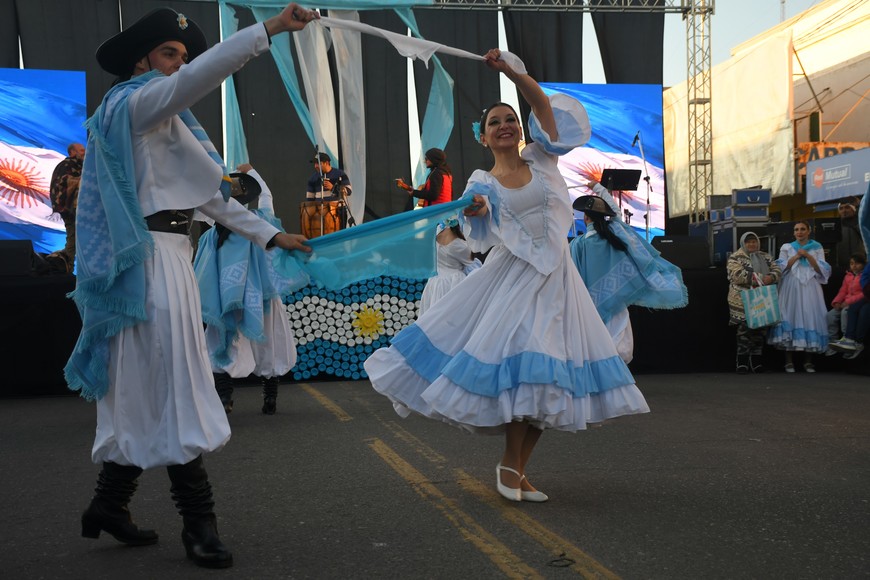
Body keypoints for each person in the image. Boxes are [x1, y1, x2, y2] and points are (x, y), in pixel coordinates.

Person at [65, 5, 317, 569]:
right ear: (142, 60)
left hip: (169, 260)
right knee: (173, 382)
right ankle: (198, 523)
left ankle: (108, 505)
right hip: (148, 265)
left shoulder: (165, 125)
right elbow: (201, 80)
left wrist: (274, 238)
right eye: (169, 54)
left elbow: (209, 197)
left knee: (150, 384)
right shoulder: (134, 103)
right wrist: (268, 30)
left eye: (182, 57)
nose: (179, 66)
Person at [365, 49, 649, 504]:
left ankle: (516, 468)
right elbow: (477, 231)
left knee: (549, 381)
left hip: (558, 281)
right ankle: (510, 467)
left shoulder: (543, 157)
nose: (505, 126)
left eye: (510, 120)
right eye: (495, 122)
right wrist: (475, 209)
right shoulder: (481, 182)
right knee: (530, 372)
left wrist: (513, 72)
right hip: (512, 280)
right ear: (482, 136)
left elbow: (539, 103)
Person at [194, 164, 297, 416]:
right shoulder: (262, 222)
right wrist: (252, 172)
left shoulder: (215, 227)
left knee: (220, 340)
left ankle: (225, 395)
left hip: (226, 297)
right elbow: (267, 194)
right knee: (269, 341)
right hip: (261, 296)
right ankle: (269, 396)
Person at [570, 181, 688, 364]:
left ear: (586, 218)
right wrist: (598, 187)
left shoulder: (578, 244)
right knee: (620, 350)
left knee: (594, 348)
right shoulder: (617, 233)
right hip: (618, 299)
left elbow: (572, 275)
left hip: (591, 305)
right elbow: (616, 212)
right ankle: (619, 382)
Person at [767, 220, 831, 372]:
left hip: (809, 285)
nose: (799, 232)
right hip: (791, 285)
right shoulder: (787, 247)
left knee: (810, 317)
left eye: (803, 229)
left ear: (809, 231)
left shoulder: (816, 246)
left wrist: (808, 256)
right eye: (797, 229)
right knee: (791, 315)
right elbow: (781, 267)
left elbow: (822, 269)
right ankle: (788, 361)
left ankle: (808, 361)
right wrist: (796, 257)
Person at [726, 232, 783, 373]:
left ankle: (756, 362)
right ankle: (742, 363)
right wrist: (760, 278)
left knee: (760, 331)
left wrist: (772, 277)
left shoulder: (765, 256)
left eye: (754, 242)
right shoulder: (735, 257)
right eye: (748, 242)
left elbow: (777, 270)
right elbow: (737, 275)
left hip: (762, 299)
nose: (752, 244)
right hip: (742, 299)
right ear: (743, 243)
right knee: (744, 331)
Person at [418, 216, 479, 315]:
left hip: (435, 281)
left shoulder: (438, 233)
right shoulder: (459, 245)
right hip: (452, 283)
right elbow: (473, 266)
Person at [47, 142, 85, 272]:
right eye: (81, 150)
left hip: (75, 209)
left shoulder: (78, 166)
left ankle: (67, 268)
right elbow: (64, 185)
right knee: (73, 239)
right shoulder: (67, 165)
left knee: (75, 239)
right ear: (72, 152)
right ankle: (66, 268)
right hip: (70, 210)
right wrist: (87, 179)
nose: (85, 152)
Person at [824, 252, 867, 354]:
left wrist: (847, 302)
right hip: (844, 303)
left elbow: (863, 293)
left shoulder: (865, 276)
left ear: (863, 264)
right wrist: (837, 302)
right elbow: (843, 291)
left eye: (857, 263)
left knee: (845, 313)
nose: (854, 266)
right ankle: (833, 341)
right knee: (830, 315)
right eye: (852, 263)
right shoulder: (848, 276)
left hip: (856, 304)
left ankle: (847, 339)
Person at [834, 197, 862, 269]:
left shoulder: (861, 223)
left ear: (854, 209)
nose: (844, 211)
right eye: (841, 208)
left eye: (847, 207)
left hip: (860, 264)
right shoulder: (836, 226)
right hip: (841, 265)